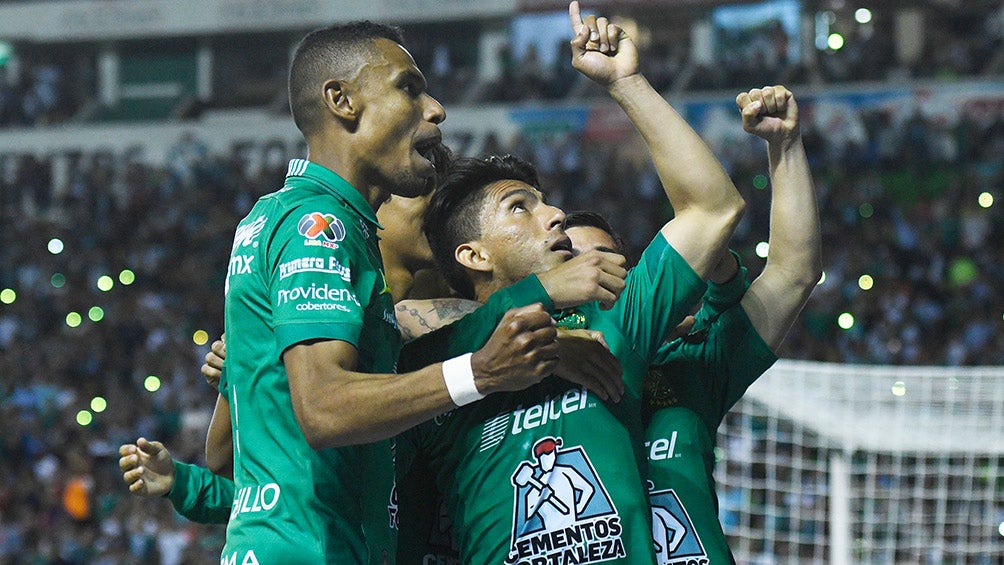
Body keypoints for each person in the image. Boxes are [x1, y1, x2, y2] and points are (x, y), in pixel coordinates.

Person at [214, 21, 619, 564]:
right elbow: (325, 409)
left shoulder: (290, 219)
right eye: (409, 87)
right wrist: (483, 370)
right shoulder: (318, 223)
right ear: (342, 101)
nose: (436, 109)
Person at [393, 3, 745, 562]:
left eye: (545, 201)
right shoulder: (430, 367)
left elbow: (713, 209)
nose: (555, 214)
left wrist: (626, 84)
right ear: (473, 255)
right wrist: (543, 299)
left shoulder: (611, 319)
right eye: (520, 208)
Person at [642, 84, 820, 564]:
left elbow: (793, 274)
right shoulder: (524, 371)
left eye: (609, 258)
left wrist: (784, 146)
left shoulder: (686, 368)